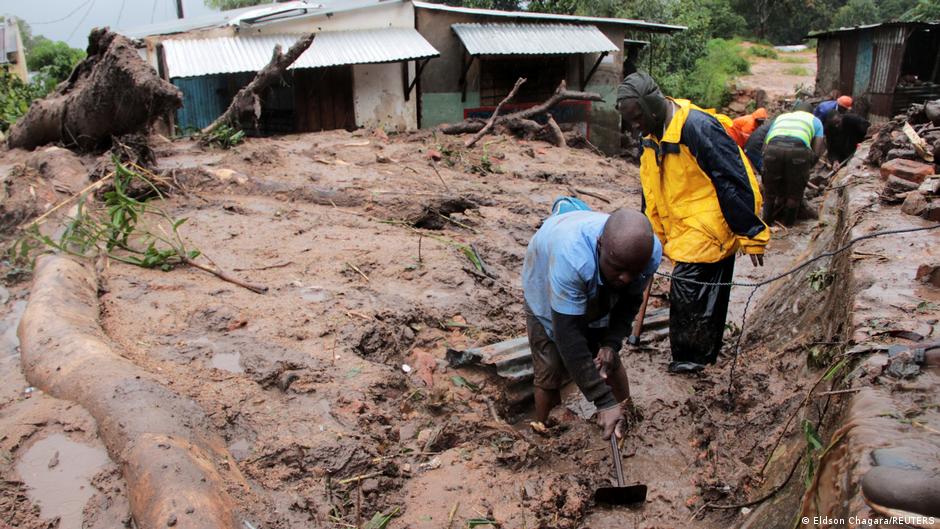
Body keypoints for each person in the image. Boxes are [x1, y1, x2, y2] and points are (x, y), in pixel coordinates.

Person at [616, 73, 769, 373]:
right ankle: (703, 355)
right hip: (682, 225)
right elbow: (650, 187)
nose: (634, 126)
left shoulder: (697, 127)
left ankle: (691, 363)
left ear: (652, 107)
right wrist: (651, 232)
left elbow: (734, 180)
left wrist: (750, 233)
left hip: (710, 224)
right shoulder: (650, 135)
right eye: (629, 121)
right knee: (704, 298)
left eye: (636, 118)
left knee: (688, 289)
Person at [522, 206, 662, 439]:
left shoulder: (647, 254)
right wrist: (603, 401)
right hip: (546, 277)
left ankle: (624, 416)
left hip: (594, 272)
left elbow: (630, 302)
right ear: (599, 245)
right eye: (618, 269)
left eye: (633, 272)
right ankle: (546, 432)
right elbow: (568, 337)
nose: (626, 278)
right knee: (551, 365)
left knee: (606, 359)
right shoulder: (572, 260)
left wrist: (610, 344)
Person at [762, 103, 825, 225]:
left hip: (772, 149)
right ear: (810, 113)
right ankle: (788, 226)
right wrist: (805, 169)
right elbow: (817, 151)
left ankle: (765, 224)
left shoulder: (781, 117)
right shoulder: (815, 121)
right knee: (794, 194)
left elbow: (765, 145)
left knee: (769, 193)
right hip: (799, 151)